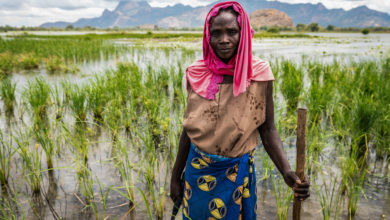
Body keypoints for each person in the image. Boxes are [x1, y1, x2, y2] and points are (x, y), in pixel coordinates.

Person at [170, 1, 310, 219]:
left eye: (232, 32)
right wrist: (174, 176)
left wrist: (287, 172)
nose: (224, 40)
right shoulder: (197, 74)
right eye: (216, 33)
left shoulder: (259, 74)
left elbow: (268, 129)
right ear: (208, 36)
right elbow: (189, 130)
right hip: (198, 173)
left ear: (243, 33)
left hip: (237, 174)